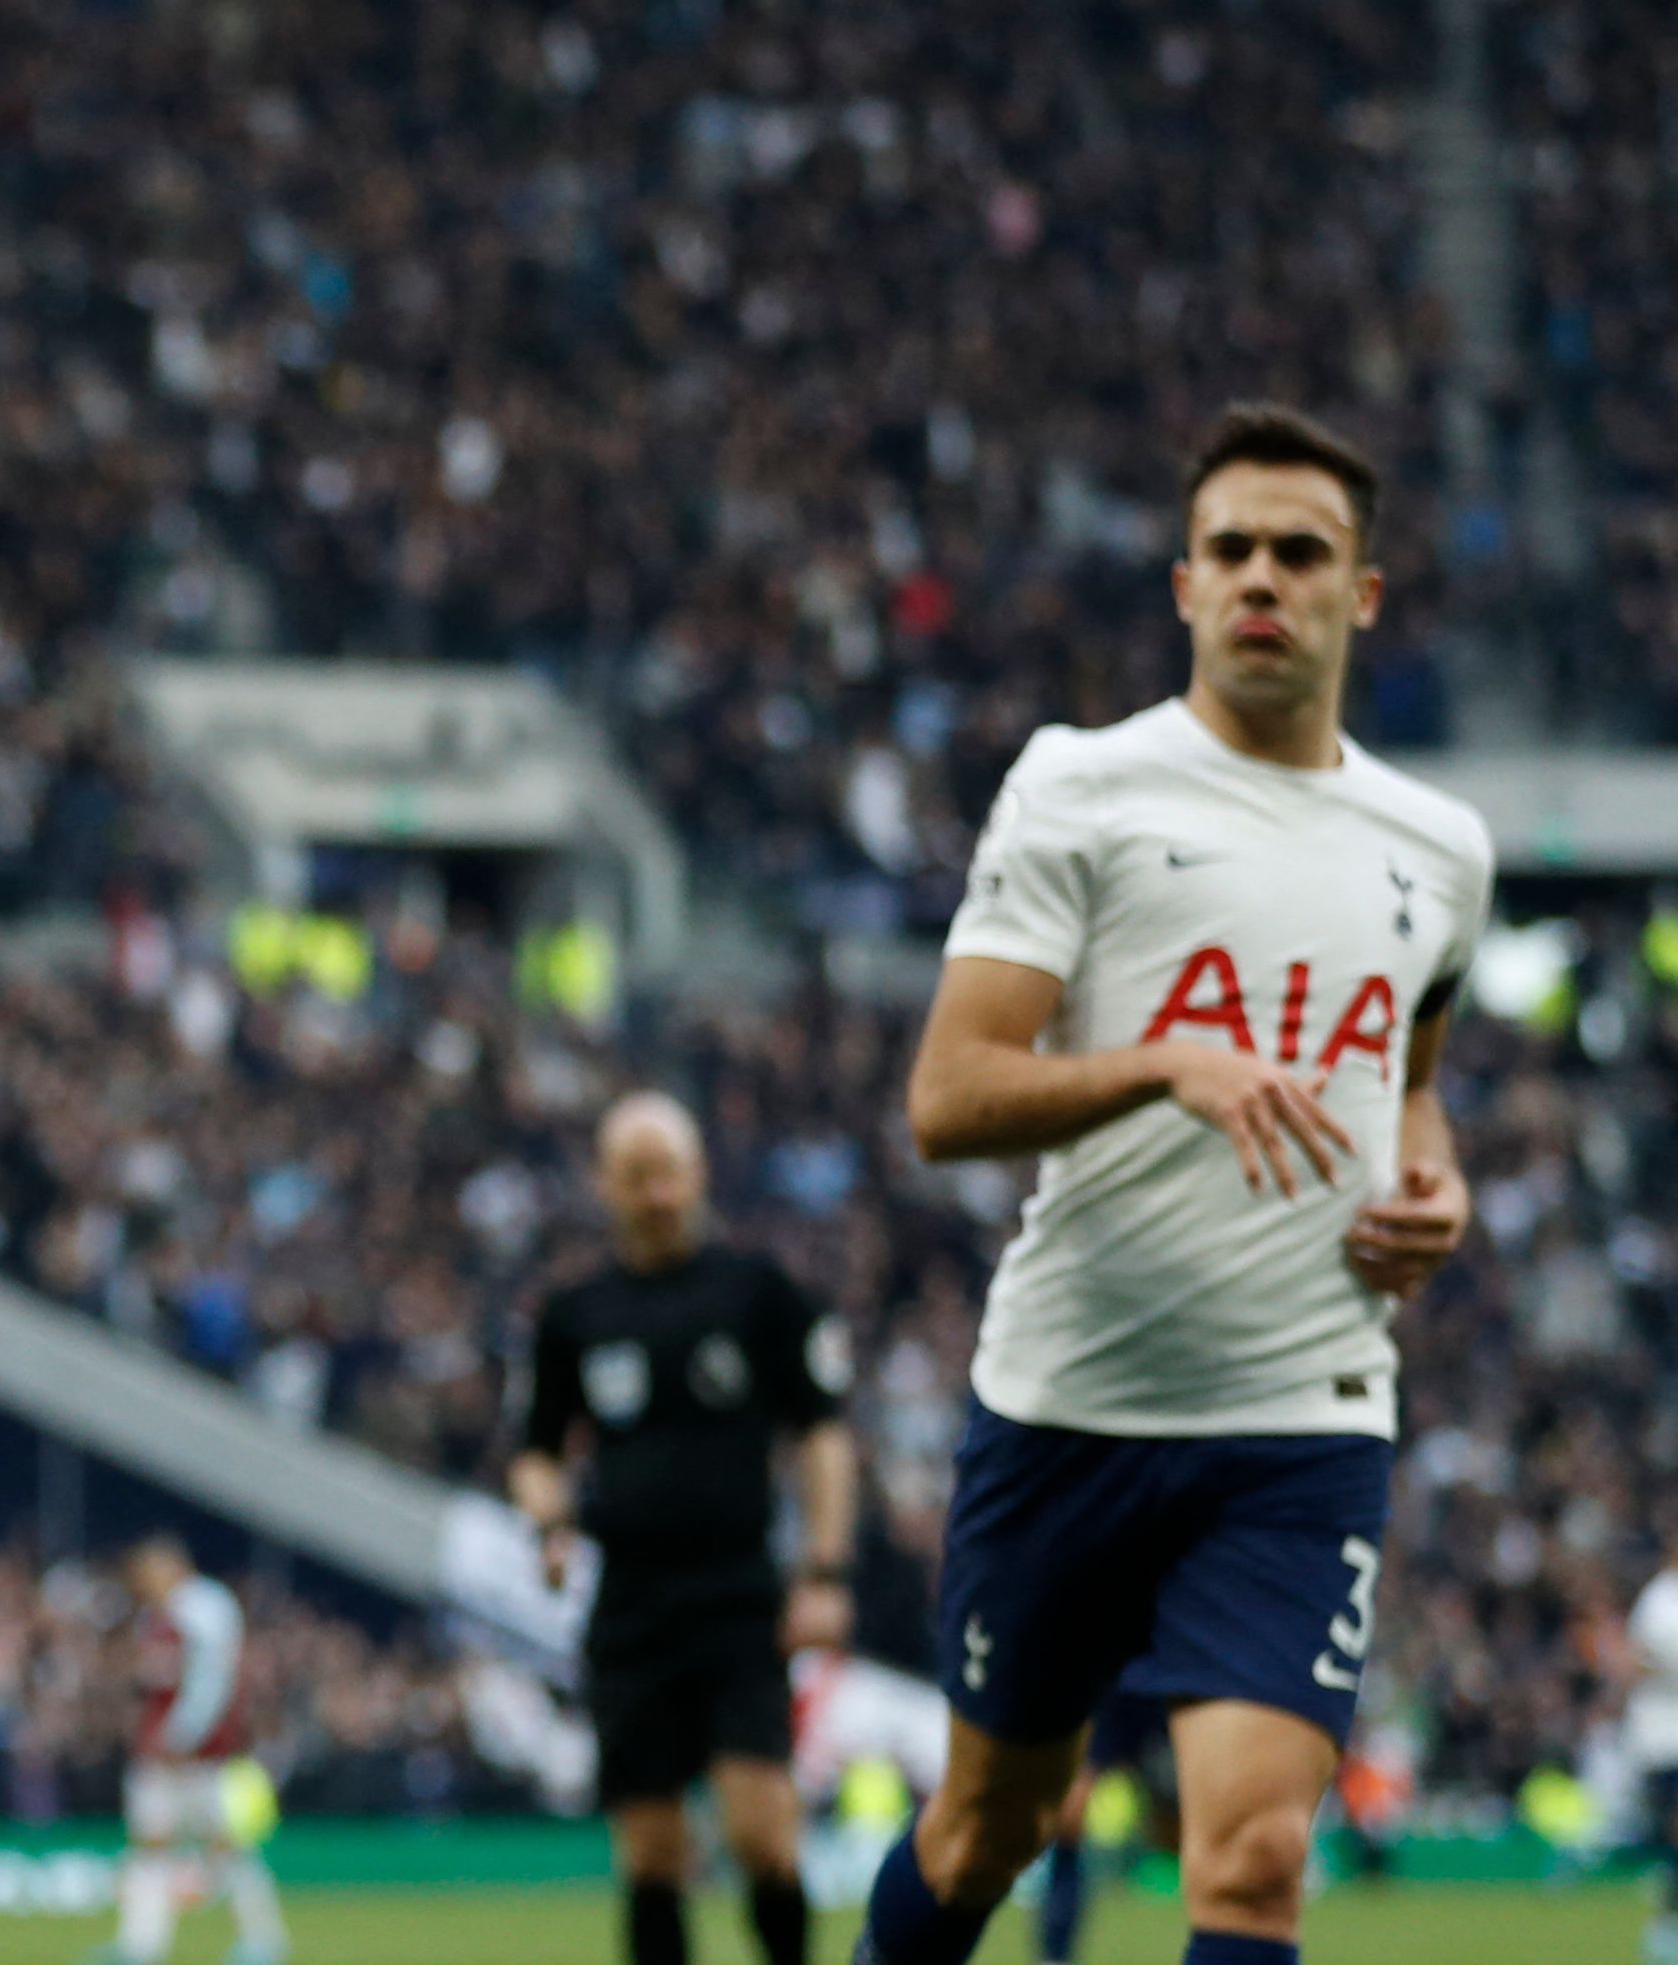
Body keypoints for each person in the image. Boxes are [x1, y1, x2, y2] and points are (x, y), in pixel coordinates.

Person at [858, 403, 1486, 1965]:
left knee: (1256, 1856)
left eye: (1301, 551)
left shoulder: (1442, 848)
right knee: (990, 1826)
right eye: (1232, 550)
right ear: (1184, 586)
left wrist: (1439, 1186)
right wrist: (1160, 1062)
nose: (1263, 576)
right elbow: (947, 1097)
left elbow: (1407, 1084)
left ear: (1364, 595)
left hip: (1300, 1418)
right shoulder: (1083, 786)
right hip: (1071, 1402)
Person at [514, 1092, 857, 1965]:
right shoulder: (575, 1315)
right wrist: (548, 1521)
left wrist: (823, 1570)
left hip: (736, 1595)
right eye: (636, 1176)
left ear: (698, 1173)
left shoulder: (757, 1292)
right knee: (651, 1852)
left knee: (760, 1829)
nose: (656, 1191)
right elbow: (536, 1452)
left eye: (667, 1172)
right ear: (605, 1186)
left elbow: (820, 1434)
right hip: (630, 1605)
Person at [89, 1534, 289, 1965]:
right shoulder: (155, 1614)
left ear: (169, 1565)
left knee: (224, 1844)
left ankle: (263, 1939)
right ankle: (140, 1945)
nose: (141, 1581)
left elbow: (210, 1680)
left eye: (146, 1571)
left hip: (199, 1753)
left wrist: (183, 1735)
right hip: (162, 1750)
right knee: (150, 1843)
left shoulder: (204, 1606)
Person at [1032, 1696, 1175, 1965]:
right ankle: (1055, 1955)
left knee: (1184, 1833)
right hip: (1115, 1690)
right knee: (1069, 1822)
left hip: (1172, 1686)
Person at [1629, 1543, 1678, 1965]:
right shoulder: (1659, 1598)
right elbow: (1637, 1661)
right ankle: (1667, 1926)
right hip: (1664, 1735)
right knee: (1672, 1829)